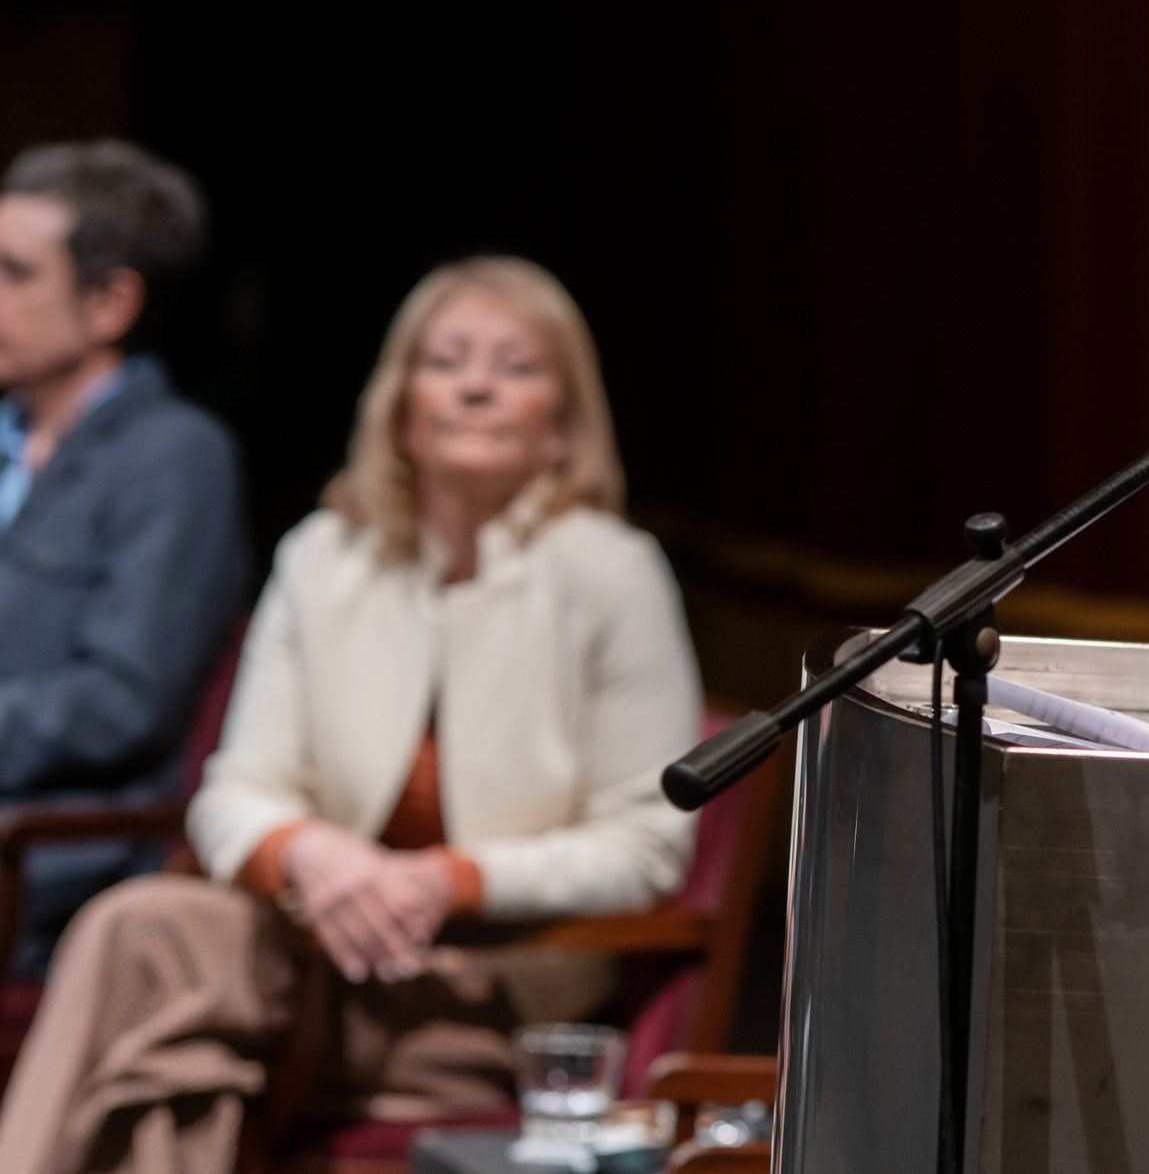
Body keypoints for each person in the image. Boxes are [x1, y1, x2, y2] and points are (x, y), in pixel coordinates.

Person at [0, 257, 701, 1174]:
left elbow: (649, 846)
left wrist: (444, 881)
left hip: (479, 995)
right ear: (401, 402)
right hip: (298, 957)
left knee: (164, 1033)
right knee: (150, 962)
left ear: (564, 427)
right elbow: (235, 789)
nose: (477, 387)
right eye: (446, 361)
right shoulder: (327, 556)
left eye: (518, 368)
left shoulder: (615, 573)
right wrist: (311, 854)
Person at [0, 140, 249, 975]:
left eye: (14, 273)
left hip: (55, 852)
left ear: (110, 303)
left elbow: (122, 699)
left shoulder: (175, 456)